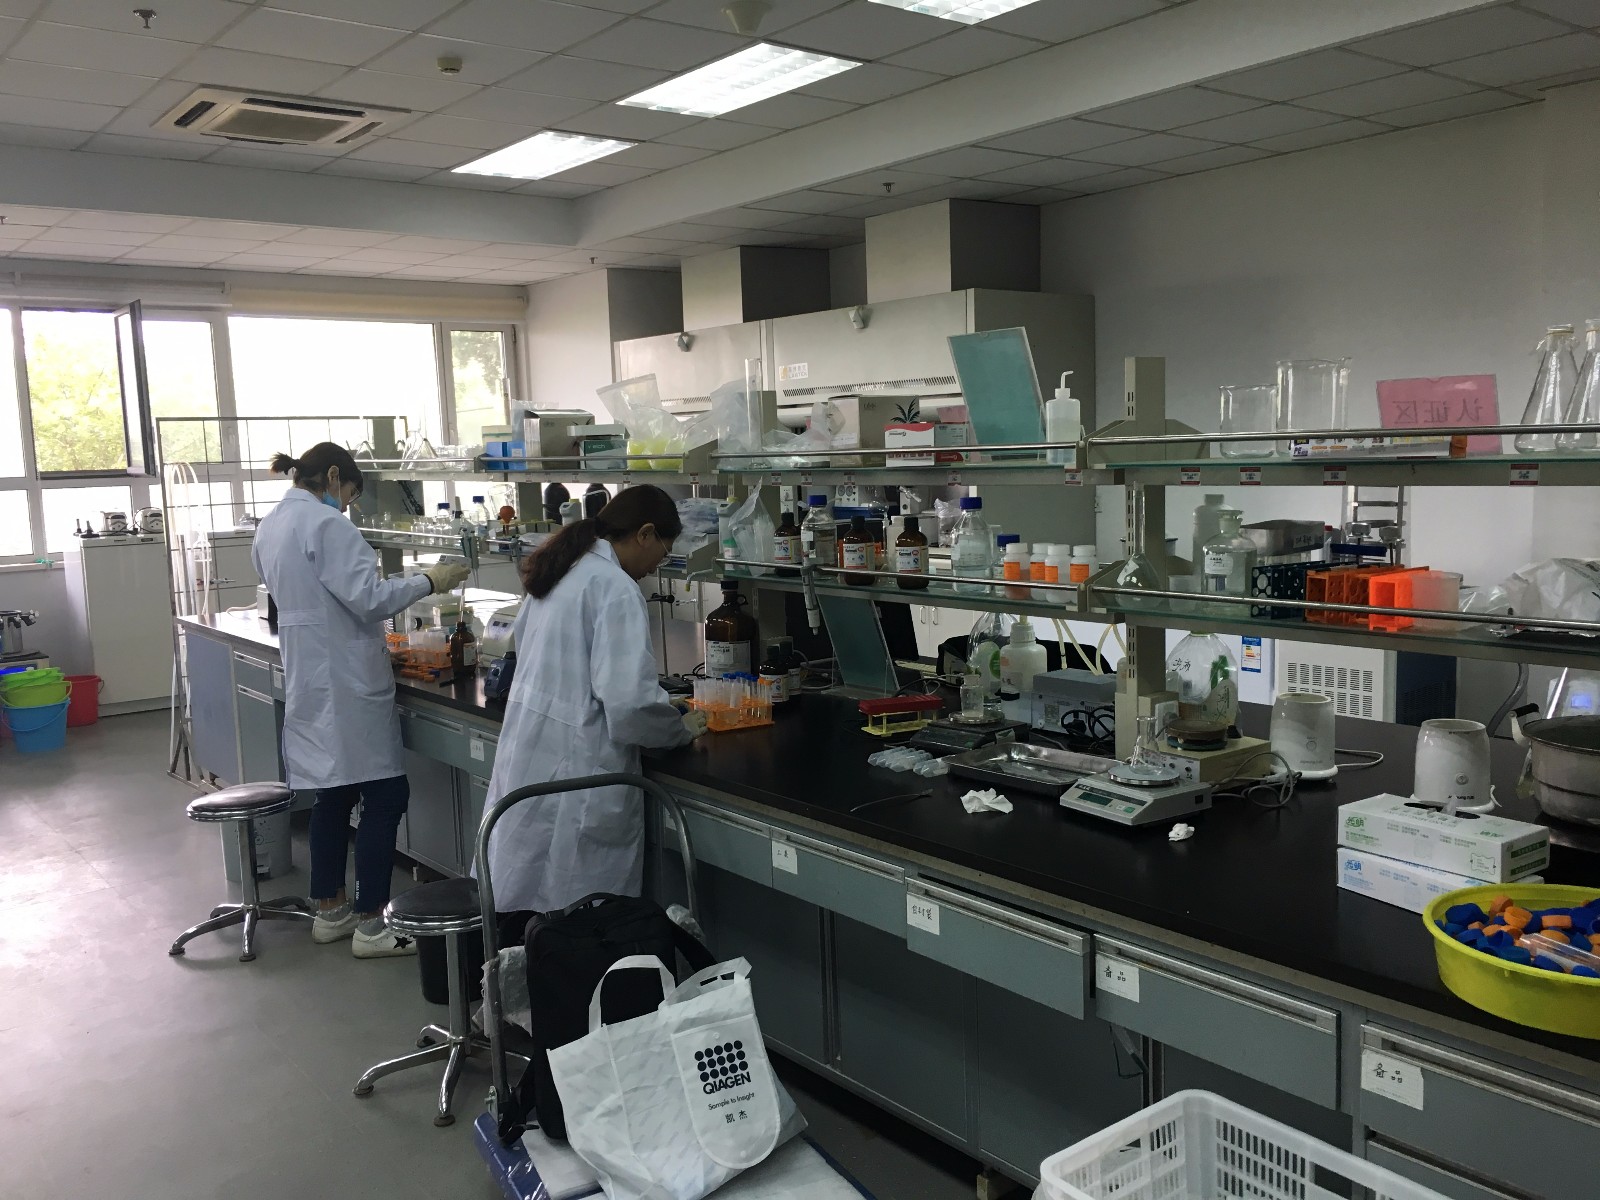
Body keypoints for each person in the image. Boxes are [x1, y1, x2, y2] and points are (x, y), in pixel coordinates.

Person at [252, 442, 470, 957]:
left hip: (311, 672)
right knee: (386, 796)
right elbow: (369, 600)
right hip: (347, 683)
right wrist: (429, 580)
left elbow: (310, 598)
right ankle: (373, 924)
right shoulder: (329, 525)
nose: (348, 504)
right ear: (333, 476)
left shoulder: (271, 525)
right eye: (350, 493)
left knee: (333, 794)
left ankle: (330, 911)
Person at [483, 485, 708, 913]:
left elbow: (535, 655)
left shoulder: (562, 567)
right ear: (644, 534)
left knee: (527, 905)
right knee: (579, 916)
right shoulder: (615, 588)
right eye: (662, 553)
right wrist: (676, 729)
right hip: (582, 769)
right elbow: (629, 706)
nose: (656, 566)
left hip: (532, 753)